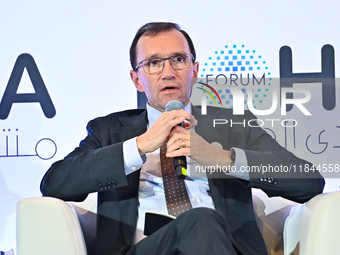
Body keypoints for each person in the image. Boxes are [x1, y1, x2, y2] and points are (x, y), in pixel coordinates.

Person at [41, 22, 325, 255]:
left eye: (179, 60)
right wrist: (139, 146)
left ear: (195, 70)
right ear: (137, 80)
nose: (168, 72)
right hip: (143, 249)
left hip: (225, 247)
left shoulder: (234, 125)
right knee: (199, 221)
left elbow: (308, 181)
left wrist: (222, 158)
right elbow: (55, 183)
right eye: (153, 63)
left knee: (203, 223)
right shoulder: (109, 130)